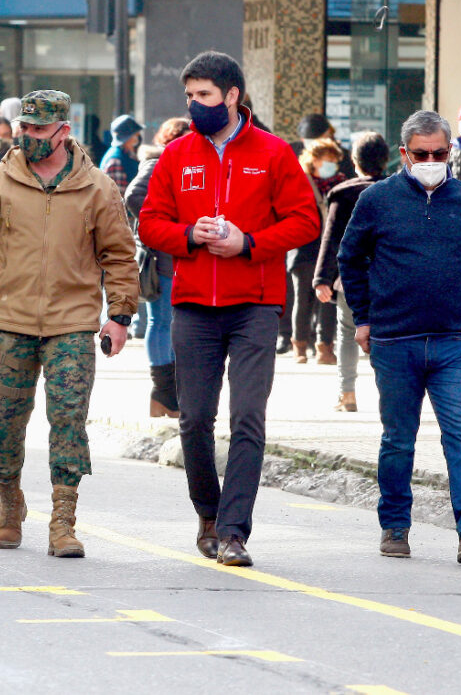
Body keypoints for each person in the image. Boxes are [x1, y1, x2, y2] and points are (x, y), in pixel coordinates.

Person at [139, 51, 320, 567]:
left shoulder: (273, 152)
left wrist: (249, 243)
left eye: (205, 96)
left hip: (255, 307)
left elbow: (306, 222)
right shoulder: (177, 155)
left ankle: (235, 531)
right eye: (190, 97)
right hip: (193, 306)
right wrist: (187, 236)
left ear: (233, 96)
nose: (195, 105)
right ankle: (208, 515)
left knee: (247, 418)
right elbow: (150, 223)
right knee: (194, 417)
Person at [0, 90, 138, 559]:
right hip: (8, 322)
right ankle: (9, 499)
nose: (30, 137)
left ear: (64, 131)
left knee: (69, 420)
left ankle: (63, 519)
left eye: (39, 129)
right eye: (25, 128)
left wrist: (119, 316)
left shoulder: (98, 188)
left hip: (72, 326)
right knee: (4, 425)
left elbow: (118, 255)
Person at [338, 110, 461, 566]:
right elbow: (349, 258)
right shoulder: (378, 199)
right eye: (422, 154)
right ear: (404, 155)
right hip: (395, 342)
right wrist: (364, 318)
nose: (432, 160)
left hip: (453, 342)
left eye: (440, 152)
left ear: (449, 151)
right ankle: (395, 524)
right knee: (399, 439)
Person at [313, 132, 390, 412]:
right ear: (385, 160)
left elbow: (331, 238)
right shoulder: (399, 190)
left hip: (352, 280)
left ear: (355, 162)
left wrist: (322, 278)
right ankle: (389, 395)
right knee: (387, 337)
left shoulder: (343, 194)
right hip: (391, 279)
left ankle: (347, 395)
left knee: (347, 333)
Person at [125, 116, 191, 418]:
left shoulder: (183, 162)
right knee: (162, 322)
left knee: (171, 323)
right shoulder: (158, 163)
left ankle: (168, 394)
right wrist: (163, 224)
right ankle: (164, 392)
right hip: (161, 255)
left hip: (178, 254)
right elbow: (134, 196)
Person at [289, 139, 345, 365]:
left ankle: (325, 348)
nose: (332, 165)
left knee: (328, 301)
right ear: (314, 160)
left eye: (334, 161)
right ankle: (300, 346)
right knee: (303, 300)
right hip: (303, 249)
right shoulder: (299, 182)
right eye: (327, 160)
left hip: (330, 250)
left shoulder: (341, 184)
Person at [100, 114, 144, 192]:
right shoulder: (116, 160)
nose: (138, 137)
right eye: (136, 134)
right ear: (129, 137)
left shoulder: (127, 154)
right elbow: (118, 196)